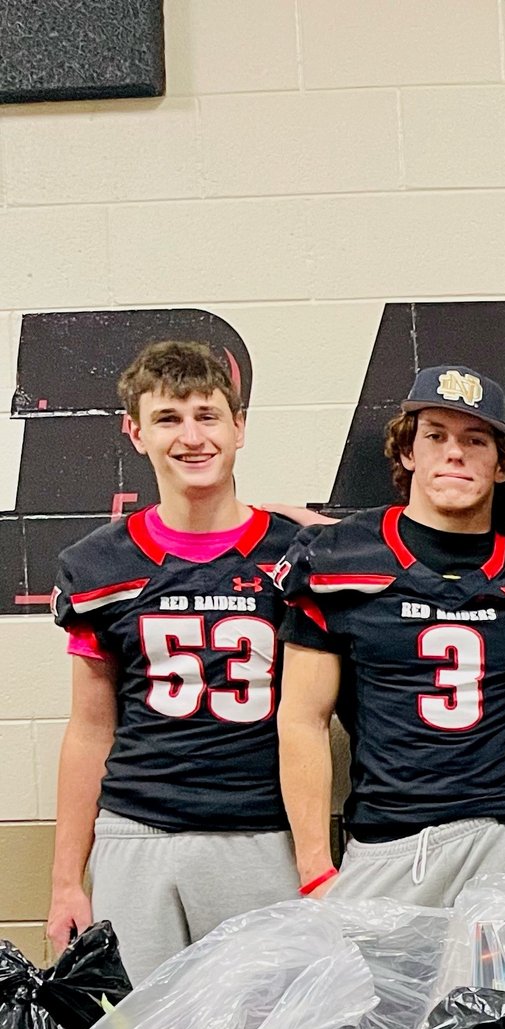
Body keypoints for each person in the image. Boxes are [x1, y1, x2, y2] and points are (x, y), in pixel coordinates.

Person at [273, 367, 505, 906]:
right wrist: (314, 869)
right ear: (407, 452)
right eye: (436, 436)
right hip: (392, 843)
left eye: (475, 439)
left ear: (501, 462)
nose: (455, 453)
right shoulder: (340, 560)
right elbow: (302, 719)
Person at [46, 340, 300, 981]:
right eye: (168, 418)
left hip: (260, 831)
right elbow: (89, 728)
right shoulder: (98, 563)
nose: (192, 436)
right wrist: (64, 882)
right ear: (135, 432)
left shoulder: (296, 553)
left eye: (208, 415)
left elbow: (369, 676)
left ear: (239, 426)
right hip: (138, 831)